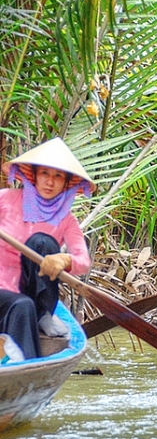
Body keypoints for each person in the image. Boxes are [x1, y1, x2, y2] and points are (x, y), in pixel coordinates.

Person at [0, 138, 95, 360]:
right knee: (22, 307)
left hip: (29, 297)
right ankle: (27, 370)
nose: (50, 182)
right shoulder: (5, 199)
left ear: (67, 183)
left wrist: (64, 260)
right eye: (44, 173)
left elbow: (83, 261)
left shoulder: (66, 220)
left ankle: (43, 313)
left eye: (58, 176)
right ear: (34, 175)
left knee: (42, 243)